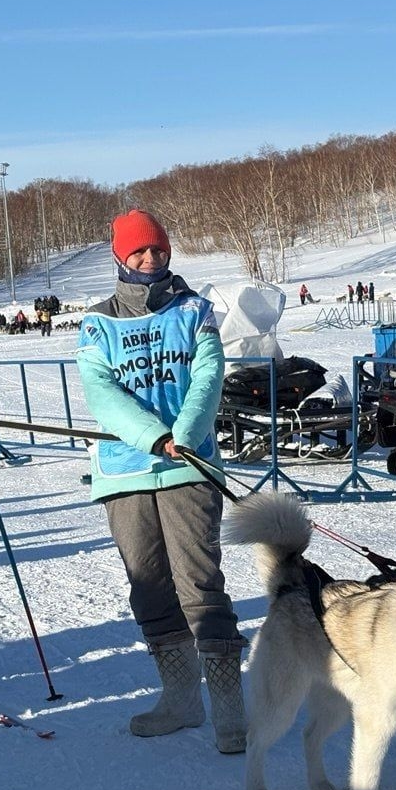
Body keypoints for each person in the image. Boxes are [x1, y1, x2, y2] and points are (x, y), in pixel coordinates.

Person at [75, 208, 247, 754]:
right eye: (139, 252)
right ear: (120, 257)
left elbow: (208, 376)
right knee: (148, 583)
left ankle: (229, 707)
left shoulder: (194, 310)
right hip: (125, 469)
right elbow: (102, 392)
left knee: (199, 580)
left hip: (188, 464)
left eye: (159, 250)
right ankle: (180, 698)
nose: (151, 259)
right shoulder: (96, 323)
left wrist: (186, 434)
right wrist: (151, 435)